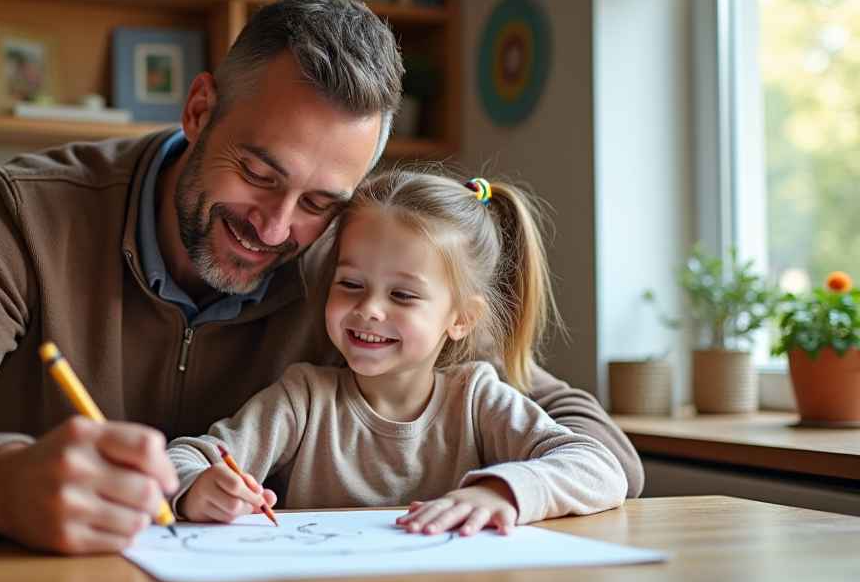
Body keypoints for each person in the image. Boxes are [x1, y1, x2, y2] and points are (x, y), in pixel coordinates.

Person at [0, 0, 643, 555]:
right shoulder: (27, 215)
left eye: (321, 200)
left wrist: (508, 489)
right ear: (200, 109)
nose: (278, 229)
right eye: (260, 173)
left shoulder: (350, 262)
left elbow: (593, 441)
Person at [170, 169, 627, 535]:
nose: (368, 309)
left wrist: (502, 493)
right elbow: (183, 458)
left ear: (461, 318)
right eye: (350, 285)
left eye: (403, 295)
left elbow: (601, 467)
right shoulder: (302, 400)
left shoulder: (478, 400)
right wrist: (197, 487)